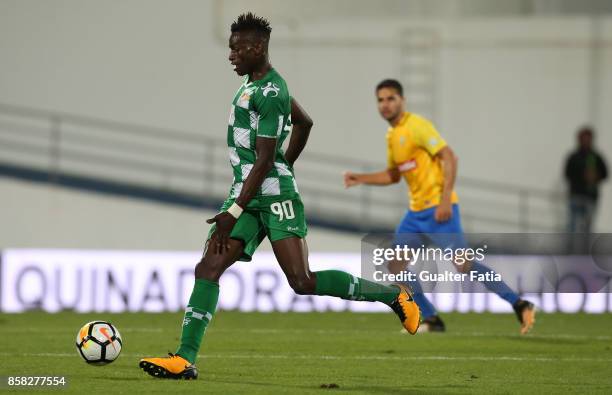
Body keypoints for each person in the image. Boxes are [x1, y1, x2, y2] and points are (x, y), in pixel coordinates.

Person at [139, 14, 419, 380]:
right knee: (208, 267)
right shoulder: (255, 86)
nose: (230, 56)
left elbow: (265, 158)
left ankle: (393, 296)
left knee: (302, 281)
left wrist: (241, 203)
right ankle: (184, 358)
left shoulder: (271, 93)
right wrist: (281, 166)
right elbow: (304, 122)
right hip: (250, 192)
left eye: (237, 48)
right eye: (231, 48)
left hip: (272, 199)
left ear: (257, 48)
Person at [344, 79, 535, 334]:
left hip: (438, 210)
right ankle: (431, 318)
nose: (385, 104)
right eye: (380, 100)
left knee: (463, 265)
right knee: (395, 265)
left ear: (402, 100)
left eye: (391, 98)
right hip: (415, 214)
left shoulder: (417, 126)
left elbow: (449, 156)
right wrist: (361, 178)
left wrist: (445, 198)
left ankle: (519, 303)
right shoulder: (392, 135)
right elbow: (393, 175)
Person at [564, 126, 608, 234]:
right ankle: (571, 249)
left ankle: (584, 249)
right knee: (572, 226)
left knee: (587, 228)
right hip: (576, 195)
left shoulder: (596, 157)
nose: (586, 141)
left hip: (590, 197)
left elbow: (605, 174)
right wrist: (582, 177)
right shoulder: (574, 157)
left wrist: (596, 176)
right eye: (584, 138)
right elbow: (567, 174)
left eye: (588, 138)